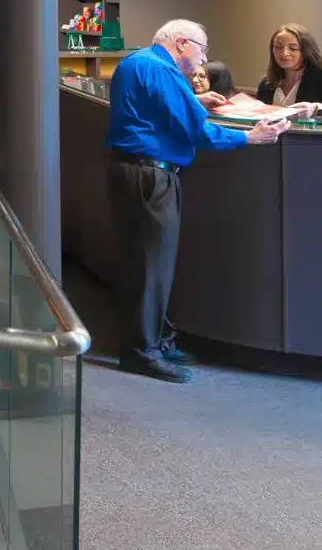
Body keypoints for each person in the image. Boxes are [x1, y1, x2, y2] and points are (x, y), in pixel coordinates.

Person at [105, 20, 286, 382]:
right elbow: (196, 130)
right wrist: (249, 138)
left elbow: (156, 108)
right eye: (203, 49)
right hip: (150, 175)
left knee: (144, 263)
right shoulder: (163, 70)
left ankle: (154, 340)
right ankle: (142, 351)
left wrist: (194, 100)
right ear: (182, 43)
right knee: (152, 267)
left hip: (132, 171)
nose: (204, 58)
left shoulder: (138, 62)